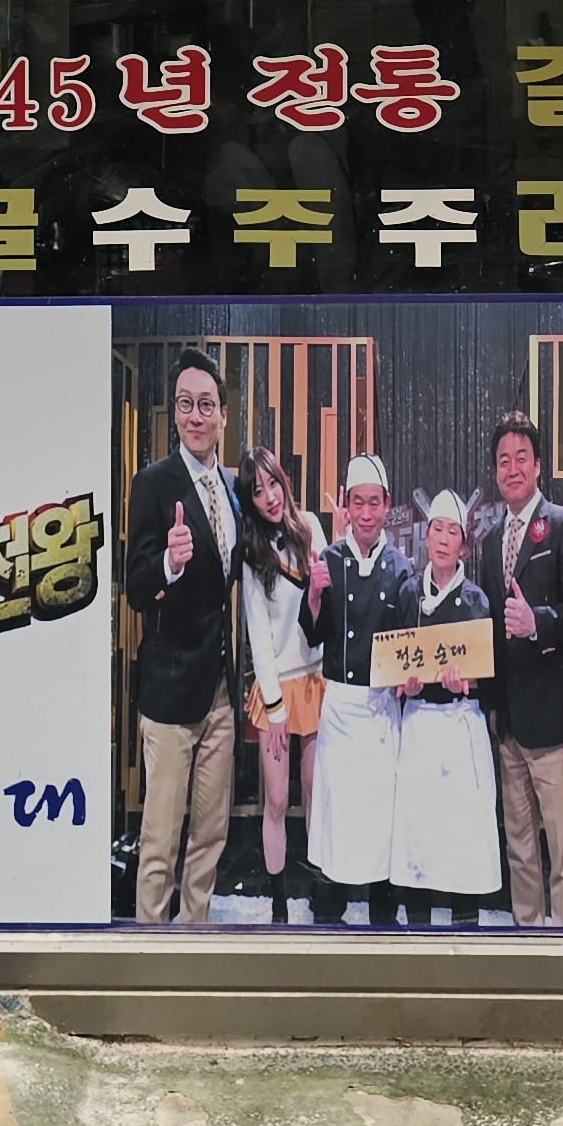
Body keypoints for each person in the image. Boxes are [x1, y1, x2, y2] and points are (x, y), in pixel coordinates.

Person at [121, 353, 244, 924]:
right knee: (160, 840)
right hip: (170, 694)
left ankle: (194, 942)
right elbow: (135, 589)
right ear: (175, 413)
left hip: (220, 691)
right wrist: (168, 564)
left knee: (209, 837)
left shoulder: (232, 487)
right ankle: (150, 951)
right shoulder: (153, 483)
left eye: (207, 405)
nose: (196, 416)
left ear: (224, 415)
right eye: (186, 404)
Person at [469, 409, 563, 924]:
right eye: (503, 460)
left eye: (521, 458)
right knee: (520, 848)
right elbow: (489, 632)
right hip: (510, 725)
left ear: (539, 465)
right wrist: (491, 704)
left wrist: (537, 621)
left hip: (555, 719)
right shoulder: (490, 540)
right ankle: (528, 940)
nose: (512, 468)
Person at [388, 491, 507, 926]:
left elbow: (490, 675)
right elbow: (392, 661)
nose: (441, 538)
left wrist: (469, 684)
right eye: (435, 529)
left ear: (463, 545)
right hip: (419, 726)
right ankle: (418, 933)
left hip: (460, 726)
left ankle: (465, 935)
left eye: (451, 531)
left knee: (461, 839)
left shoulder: (477, 601)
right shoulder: (407, 595)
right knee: (418, 836)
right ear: (425, 537)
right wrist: (404, 685)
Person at [303, 454, 412, 925]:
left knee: (380, 825)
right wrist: (313, 595)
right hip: (340, 709)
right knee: (336, 825)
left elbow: (409, 641)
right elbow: (313, 634)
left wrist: (409, 680)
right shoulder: (328, 561)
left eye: (374, 503)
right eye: (358, 503)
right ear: (345, 505)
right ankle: (328, 918)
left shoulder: (401, 567)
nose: (366, 514)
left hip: (381, 712)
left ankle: (384, 923)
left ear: (388, 504)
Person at [232, 448, 326, 925]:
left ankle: (318, 893)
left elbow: (327, 610)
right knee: (275, 799)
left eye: (273, 484)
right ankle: (278, 905)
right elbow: (258, 633)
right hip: (277, 689)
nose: (269, 496)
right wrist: (274, 709)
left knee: (315, 792)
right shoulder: (251, 552)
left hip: (316, 679)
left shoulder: (310, 528)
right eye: (257, 490)